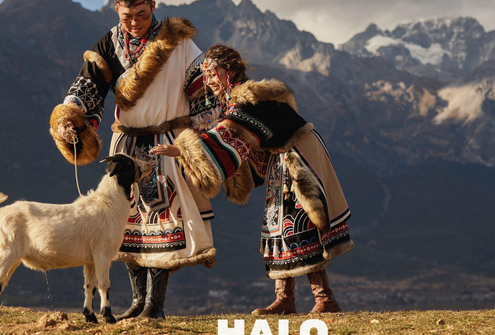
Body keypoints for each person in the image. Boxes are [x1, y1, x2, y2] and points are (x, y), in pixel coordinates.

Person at [48, 0, 218, 320]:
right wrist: (71, 120)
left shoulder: (179, 42)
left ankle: (156, 305)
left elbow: (205, 87)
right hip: (124, 142)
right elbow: (87, 89)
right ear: (117, 11)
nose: (135, 22)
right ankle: (138, 301)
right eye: (127, 16)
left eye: (141, 14)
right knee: (122, 223)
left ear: (153, 6)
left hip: (165, 142)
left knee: (162, 219)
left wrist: (206, 138)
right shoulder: (108, 45)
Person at [151, 45, 353, 314]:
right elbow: (233, 134)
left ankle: (325, 299)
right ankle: (286, 299)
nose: (208, 81)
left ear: (229, 71)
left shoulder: (247, 100)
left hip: (300, 156)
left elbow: (227, 135)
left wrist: (183, 149)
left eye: (212, 73)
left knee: (300, 223)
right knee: (277, 223)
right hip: (281, 157)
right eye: (206, 75)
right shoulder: (236, 102)